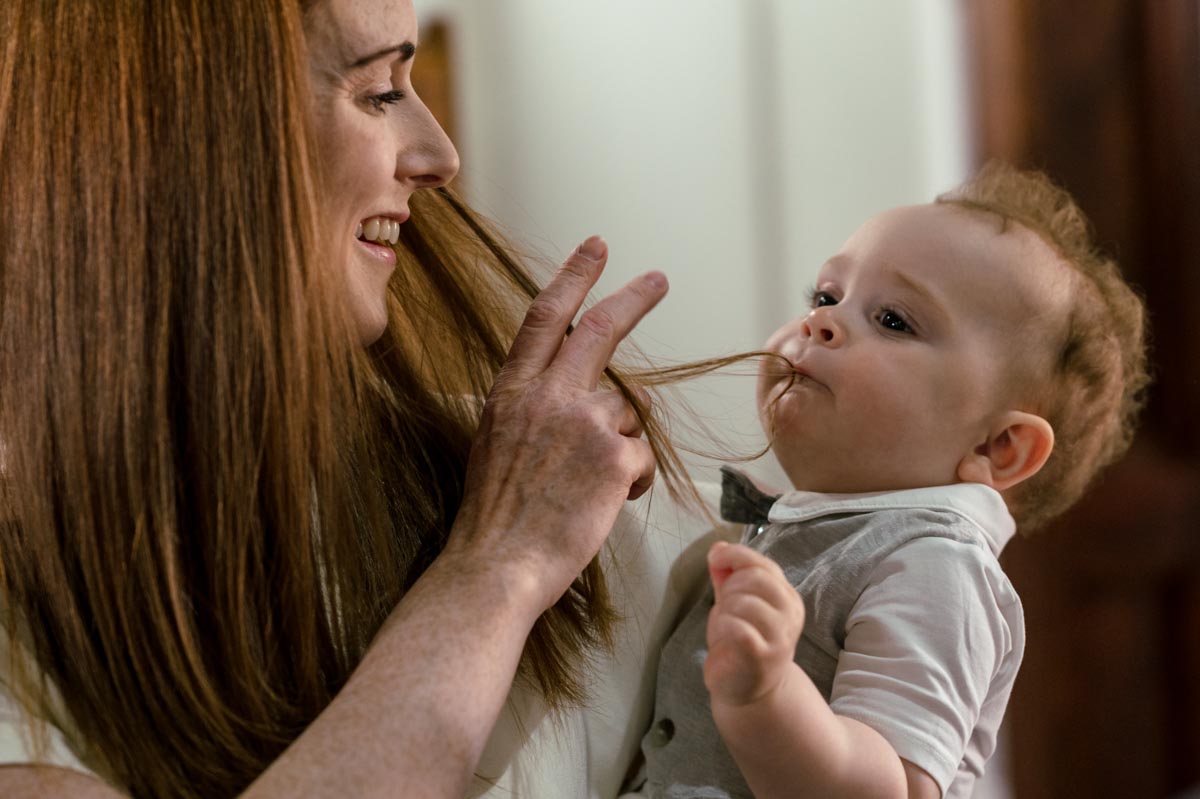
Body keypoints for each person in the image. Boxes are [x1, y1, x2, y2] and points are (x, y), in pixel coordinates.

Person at [0, 0, 703, 796]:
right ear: (185, 139)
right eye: (377, 92)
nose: (440, 155)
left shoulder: (547, 473)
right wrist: (498, 566)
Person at [628, 164, 1150, 798]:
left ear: (998, 445)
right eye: (825, 296)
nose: (819, 323)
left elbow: (891, 790)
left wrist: (769, 699)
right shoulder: (827, 528)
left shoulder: (935, 566)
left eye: (894, 320)